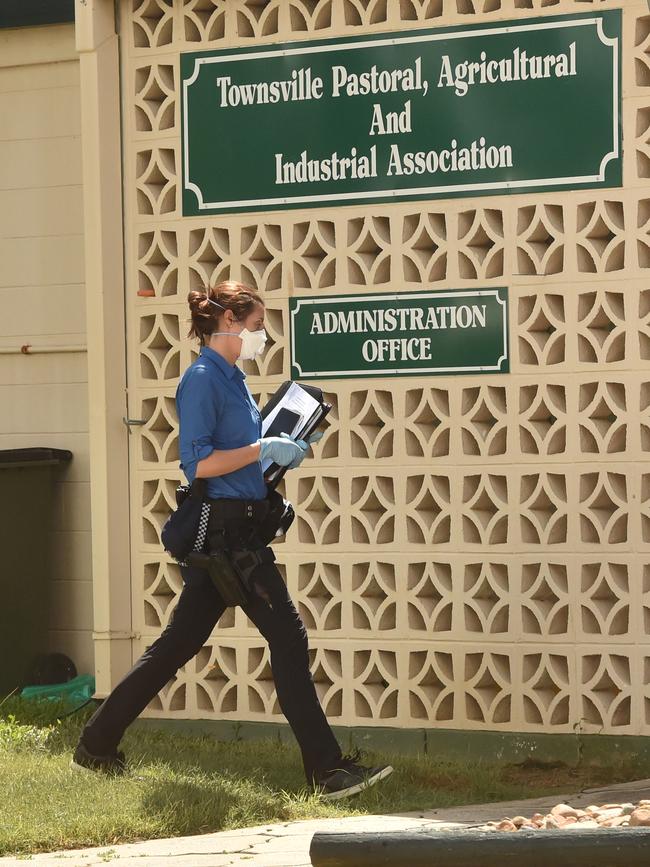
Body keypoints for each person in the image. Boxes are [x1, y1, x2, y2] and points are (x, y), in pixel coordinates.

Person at [72, 280, 393, 800]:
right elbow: (198, 463)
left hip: (239, 526)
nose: (263, 335)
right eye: (258, 325)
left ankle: (96, 744)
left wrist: (279, 450)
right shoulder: (201, 380)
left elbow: (240, 454)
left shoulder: (234, 377)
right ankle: (327, 771)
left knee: (177, 645)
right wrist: (262, 446)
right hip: (224, 536)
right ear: (229, 323)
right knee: (288, 638)